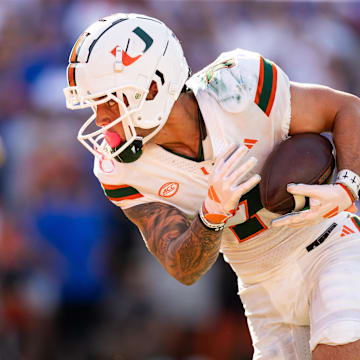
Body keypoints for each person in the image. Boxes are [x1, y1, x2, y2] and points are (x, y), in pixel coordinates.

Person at [63, 13, 360, 359]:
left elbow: (346, 109)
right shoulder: (123, 170)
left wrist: (347, 186)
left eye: (108, 100)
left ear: (153, 88)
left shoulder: (238, 87)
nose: (101, 118)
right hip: (260, 287)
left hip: (328, 246)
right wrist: (209, 217)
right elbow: (182, 267)